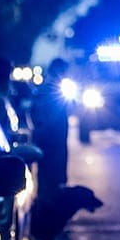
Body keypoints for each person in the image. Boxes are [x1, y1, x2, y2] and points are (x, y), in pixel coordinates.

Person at [30, 57, 71, 196]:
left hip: (52, 140)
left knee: (49, 177)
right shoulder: (51, 90)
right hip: (51, 140)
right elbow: (44, 117)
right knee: (51, 177)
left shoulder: (49, 89)